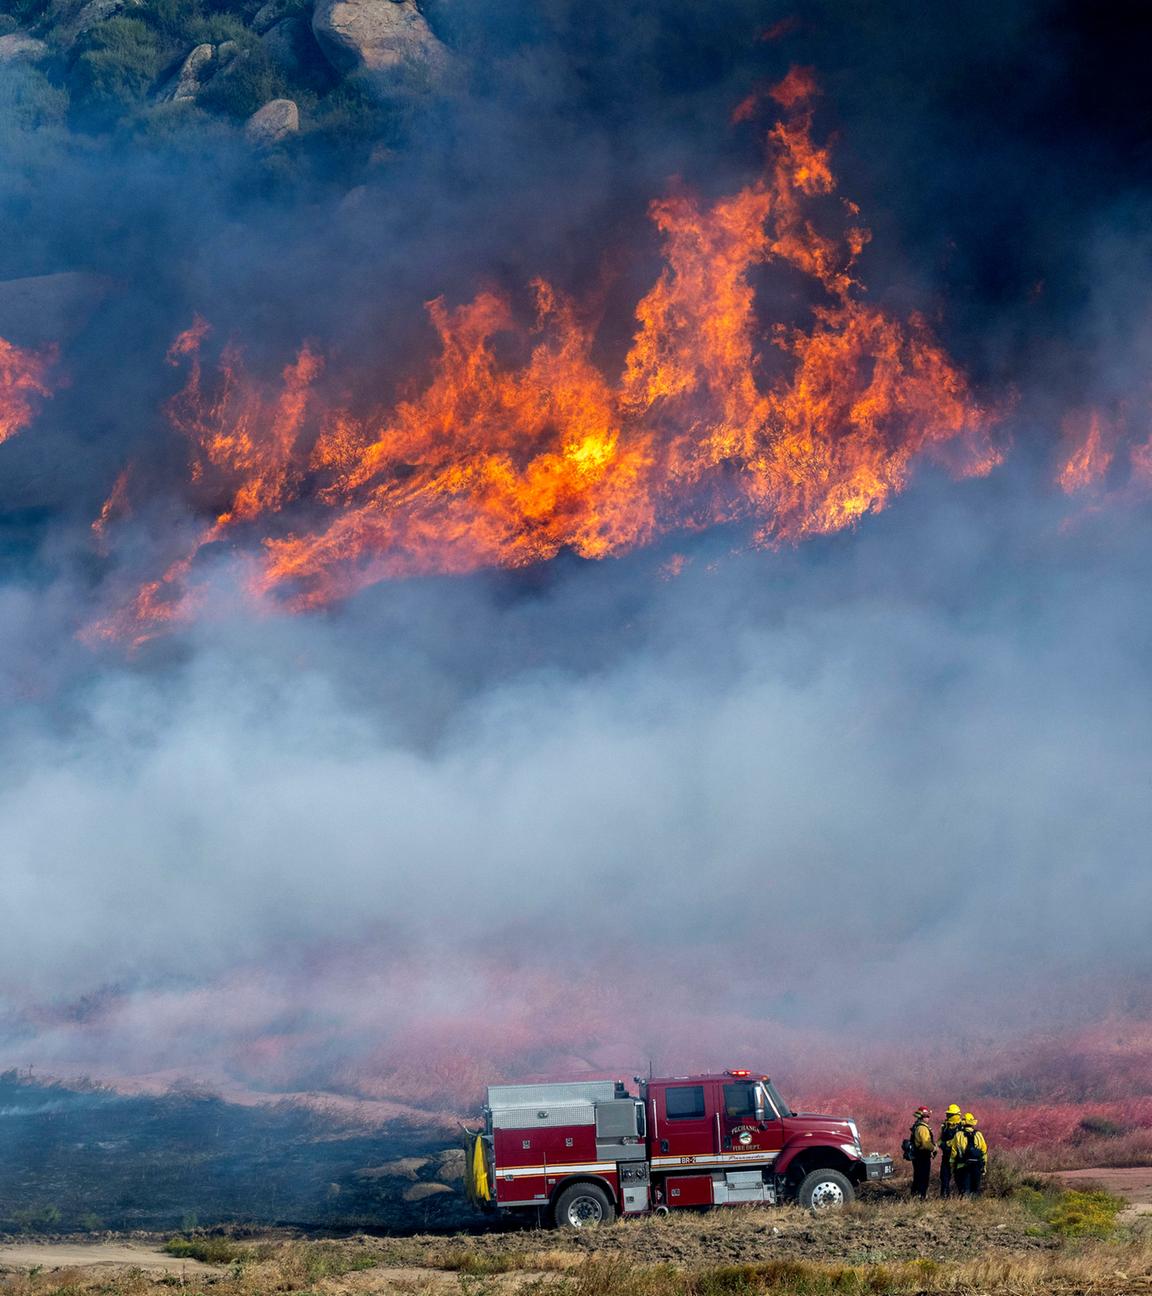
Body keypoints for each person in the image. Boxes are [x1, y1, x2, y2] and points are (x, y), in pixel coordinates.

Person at [908, 1106, 936, 1199]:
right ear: (922, 1117)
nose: (928, 1118)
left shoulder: (917, 1126)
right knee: (923, 1178)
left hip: (917, 1156)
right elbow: (926, 1144)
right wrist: (934, 1148)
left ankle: (915, 1196)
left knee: (918, 1176)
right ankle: (921, 1197)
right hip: (922, 1156)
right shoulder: (923, 1128)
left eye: (928, 1116)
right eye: (926, 1116)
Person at [938, 1103, 963, 1198]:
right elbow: (940, 1139)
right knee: (944, 1178)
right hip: (946, 1156)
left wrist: (947, 1144)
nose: (947, 1116)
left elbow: (959, 1141)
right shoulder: (945, 1126)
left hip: (958, 1158)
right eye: (947, 1114)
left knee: (959, 1178)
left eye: (950, 1114)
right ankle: (944, 1197)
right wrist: (940, 1144)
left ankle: (963, 1198)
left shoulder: (961, 1127)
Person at [962, 1113, 988, 1196]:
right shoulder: (979, 1135)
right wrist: (984, 1166)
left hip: (963, 1165)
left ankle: (965, 1205)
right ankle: (975, 1204)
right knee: (975, 1188)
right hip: (977, 1165)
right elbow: (984, 1151)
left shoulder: (959, 1135)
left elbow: (954, 1153)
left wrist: (953, 1166)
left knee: (965, 1189)